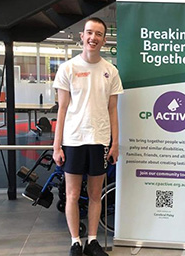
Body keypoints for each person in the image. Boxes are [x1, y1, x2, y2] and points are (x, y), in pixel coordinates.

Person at [52, 17, 123, 256]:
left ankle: (92, 241)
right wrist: (57, 145)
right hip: (73, 140)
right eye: (89, 33)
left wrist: (115, 143)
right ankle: (75, 242)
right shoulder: (68, 69)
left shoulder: (110, 71)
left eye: (99, 34)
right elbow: (61, 109)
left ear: (104, 40)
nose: (93, 38)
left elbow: (113, 110)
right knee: (72, 195)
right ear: (82, 36)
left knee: (95, 195)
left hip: (100, 140)